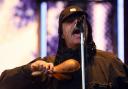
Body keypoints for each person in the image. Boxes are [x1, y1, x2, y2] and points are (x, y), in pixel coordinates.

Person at [0, 5, 128, 89]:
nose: (77, 23)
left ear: (88, 29)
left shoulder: (110, 63)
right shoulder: (47, 65)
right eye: (69, 21)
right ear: (61, 34)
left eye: (80, 20)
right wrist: (28, 70)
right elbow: (4, 83)